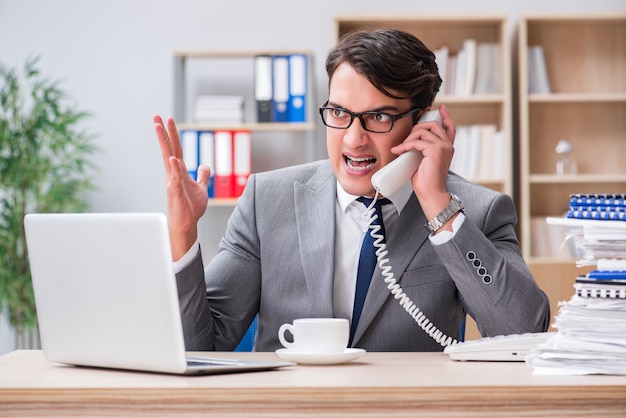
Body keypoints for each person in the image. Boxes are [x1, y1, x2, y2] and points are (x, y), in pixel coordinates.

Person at [153, 28, 550, 352]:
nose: (353, 139)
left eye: (378, 116)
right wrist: (183, 235)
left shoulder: (475, 211)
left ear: (423, 123)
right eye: (340, 113)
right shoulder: (266, 200)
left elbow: (523, 332)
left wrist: (436, 204)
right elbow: (198, 348)